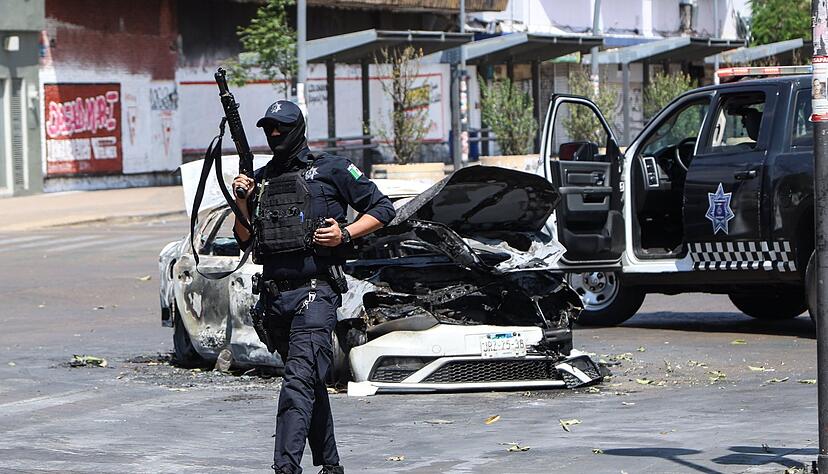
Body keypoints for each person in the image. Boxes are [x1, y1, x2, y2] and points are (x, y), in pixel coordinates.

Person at [232, 100, 395, 474]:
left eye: (281, 127)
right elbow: (243, 238)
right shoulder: (261, 179)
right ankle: (331, 465)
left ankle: (285, 468)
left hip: (315, 295)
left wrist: (345, 234)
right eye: (268, 128)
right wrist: (242, 199)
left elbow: (383, 209)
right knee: (307, 384)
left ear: (298, 128)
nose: (274, 134)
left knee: (296, 384)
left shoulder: (333, 168)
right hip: (274, 302)